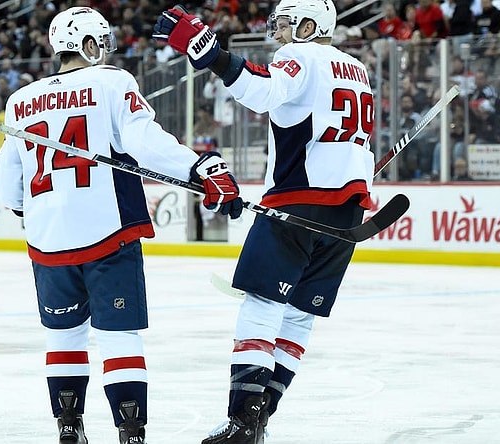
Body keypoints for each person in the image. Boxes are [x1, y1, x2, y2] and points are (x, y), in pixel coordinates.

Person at [0, 7, 242, 444]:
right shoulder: (111, 81)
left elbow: (7, 181)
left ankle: (69, 430)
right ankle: (131, 435)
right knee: (118, 336)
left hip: (48, 240)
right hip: (108, 232)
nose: (105, 50)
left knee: (64, 335)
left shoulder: (20, 101)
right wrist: (200, 168)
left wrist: (25, 208)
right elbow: (144, 141)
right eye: (100, 42)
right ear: (88, 45)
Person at [154, 1, 375, 442]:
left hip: (298, 204)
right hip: (348, 213)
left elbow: (262, 92)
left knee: (261, 305)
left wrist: (211, 54)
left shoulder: (304, 54)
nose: (280, 33)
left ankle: (243, 423)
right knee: (298, 319)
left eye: (288, 24)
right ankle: (259, 420)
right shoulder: (357, 68)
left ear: (310, 25)